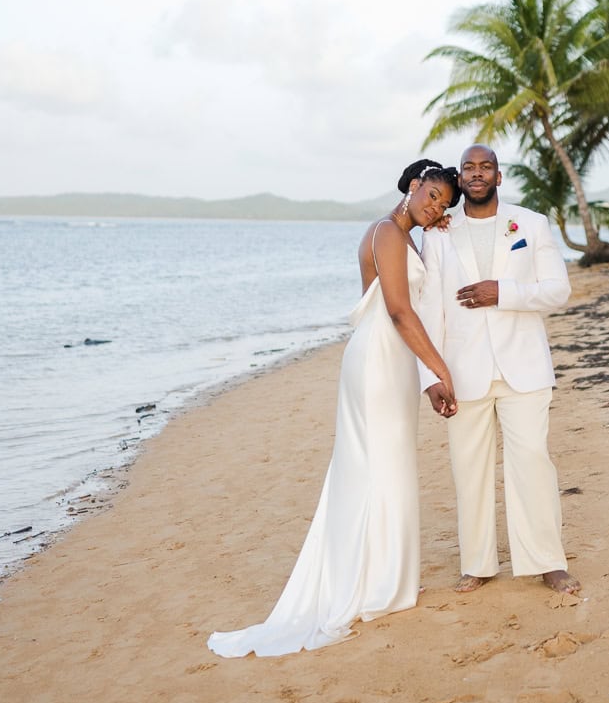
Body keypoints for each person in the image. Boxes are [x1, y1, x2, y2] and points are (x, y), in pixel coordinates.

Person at [207, 159, 460, 657]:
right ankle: (374, 586)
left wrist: (442, 233)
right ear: (413, 186)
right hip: (378, 359)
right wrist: (441, 369)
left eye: (444, 205)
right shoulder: (386, 232)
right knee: (373, 466)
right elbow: (396, 309)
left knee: (386, 467)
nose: (435, 209)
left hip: (390, 357)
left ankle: (385, 580)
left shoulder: (407, 237)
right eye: (432, 196)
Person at [417, 145, 580, 595]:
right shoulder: (438, 233)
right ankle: (478, 563)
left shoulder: (531, 224)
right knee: (468, 469)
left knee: (532, 464)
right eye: (468, 167)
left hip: (523, 368)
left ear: (499, 176)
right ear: (460, 176)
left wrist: (501, 292)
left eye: (485, 166)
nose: (476, 173)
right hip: (461, 370)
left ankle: (548, 561)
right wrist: (430, 375)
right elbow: (429, 309)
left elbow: (557, 290)